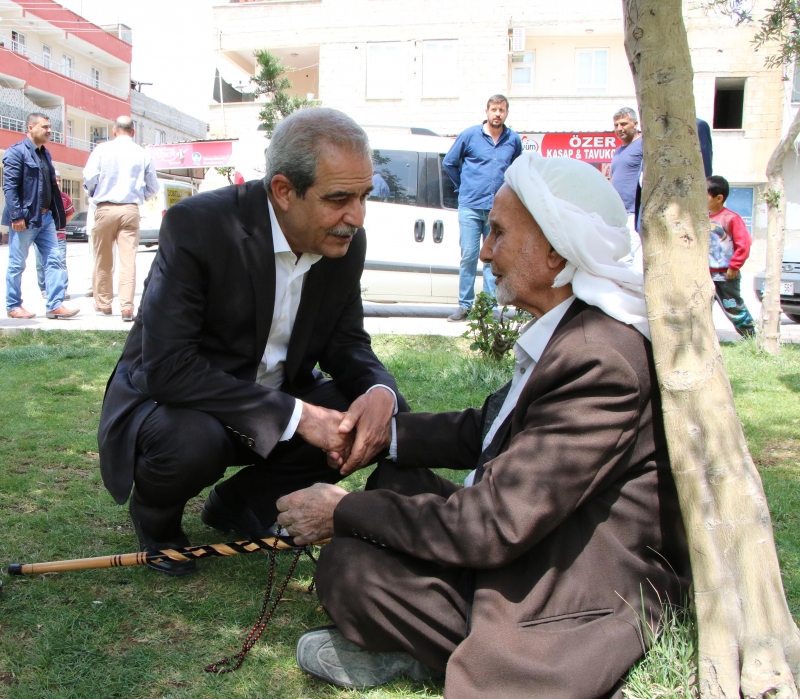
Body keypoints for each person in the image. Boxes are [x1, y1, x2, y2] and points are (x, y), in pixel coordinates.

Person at [277, 153, 690, 698]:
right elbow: (489, 428)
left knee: (350, 566)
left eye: (497, 233)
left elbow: (493, 523)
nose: (486, 251)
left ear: (554, 250)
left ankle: (436, 651)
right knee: (394, 484)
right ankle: (420, 636)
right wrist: (384, 438)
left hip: (569, 585)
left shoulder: (599, 359)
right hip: (536, 538)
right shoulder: (577, 333)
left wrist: (341, 511)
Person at [97, 108, 402, 577]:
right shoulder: (198, 226)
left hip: (274, 403)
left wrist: (381, 392)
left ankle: (243, 503)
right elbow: (169, 368)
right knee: (192, 440)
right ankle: (156, 521)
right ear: (283, 190)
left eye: (364, 196)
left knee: (369, 415)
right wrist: (299, 416)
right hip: (179, 405)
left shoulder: (344, 242)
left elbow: (347, 343)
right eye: (339, 197)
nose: (356, 217)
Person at [443, 95, 522, 322]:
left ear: (507, 113)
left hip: (498, 210)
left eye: (502, 110)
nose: (498, 114)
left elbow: (517, 170)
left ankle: (487, 308)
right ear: (487, 111)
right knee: (469, 256)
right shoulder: (469, 136)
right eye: (494, 109)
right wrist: (463, 186)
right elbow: (449, 162)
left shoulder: (513, 140)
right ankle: (465, 306)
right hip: (470, 207)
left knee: (492, 259)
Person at [83, 116, 158, 321]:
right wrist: (140, 196)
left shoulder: (101, 150)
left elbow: (89, 177)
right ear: (133, 132)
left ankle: (104, 304)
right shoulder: (142, 153)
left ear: (114, 131)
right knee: (128, 261)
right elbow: (153, 187)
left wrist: (93, 193)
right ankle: (127, 308)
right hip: (130, 208)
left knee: (103, 259)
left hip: (105, 207)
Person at [3, 113, 77, 320]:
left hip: (46, 219)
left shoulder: (46, 154)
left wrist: (55, 213)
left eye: (50, 127)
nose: (49, 131)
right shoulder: (16, 153)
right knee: (18, 264)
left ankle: (55, 304)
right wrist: (17, 216)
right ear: (30, 128)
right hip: (25, 219)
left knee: (55, 260)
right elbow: (9, 187)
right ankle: (13, 305)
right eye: (45, 127)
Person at [707, 175, 755, 337]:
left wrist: (734, 265)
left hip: (725, 275)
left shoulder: (731, 219)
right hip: (704, 273)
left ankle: (751, 337)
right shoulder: (700, 218)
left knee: (732, 308)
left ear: (719, 198)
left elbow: (744, 243)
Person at [610, 107, 643, 266]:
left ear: (635, 124)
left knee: (632, 258)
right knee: (620, 256)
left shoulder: (643, 145)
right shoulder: (618, 151)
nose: (619, 128)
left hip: (633, 213)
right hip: (618, 213)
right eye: (616, 125)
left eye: (623, 124)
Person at [35, 171, 75, 299]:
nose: (57, 182)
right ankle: (44, 289)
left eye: (59, 180)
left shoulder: (64, 197)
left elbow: (70, 214)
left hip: (59, 236)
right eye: (55, 180)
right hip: (41, 236)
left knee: (61, 262)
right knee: (41, 263)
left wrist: (59, 225)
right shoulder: (40, 197)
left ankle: (62, 288)